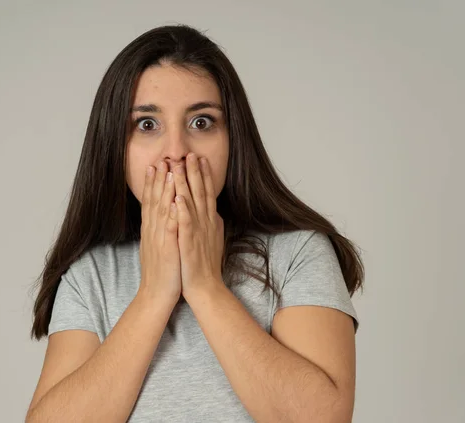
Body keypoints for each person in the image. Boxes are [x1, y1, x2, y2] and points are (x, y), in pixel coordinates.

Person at [25, 24, 364, 423]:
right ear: (115, 145)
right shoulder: (91, 275)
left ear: (233, 137)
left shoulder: (299, 253)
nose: (176, 152)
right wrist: (154, 294)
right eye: (147, 125)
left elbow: (321, 419)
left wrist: (204, 285)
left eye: (201, 122)